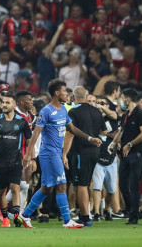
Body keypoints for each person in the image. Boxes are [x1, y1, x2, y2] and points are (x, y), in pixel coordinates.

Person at [17, 79, 101, 229]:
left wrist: (90, 138)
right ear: (57, 93)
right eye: (65, 91)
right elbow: (36, 133)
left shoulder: (63, 110)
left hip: (56, 153)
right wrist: (29, 154)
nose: (68, 94)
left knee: (46, 188)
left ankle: (24, 215)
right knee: (62, 184)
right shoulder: (46, 111)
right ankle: (67, 221)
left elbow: (73, 129)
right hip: (49, 154)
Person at [0, 91, 31, 227]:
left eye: (7, 103)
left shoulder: (21, 122)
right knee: (0, 192)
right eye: (3, 102)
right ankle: (5, 218)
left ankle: (16, 217)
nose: (4, 105)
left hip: (16, 161)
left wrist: (31, 158)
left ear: (14, 105)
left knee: (15, 188)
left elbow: (30, 141)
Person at [61, 86, 106, 226]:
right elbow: (104, 132)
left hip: (81, 152)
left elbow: (70, 133)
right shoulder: (96, 111)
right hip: (95, 151)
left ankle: (85, 217)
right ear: (86, 97)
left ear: (74, 97)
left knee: (81, 185)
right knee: (86, 183)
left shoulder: (74, 112)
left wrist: (64, 154)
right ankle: (84, 213)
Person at [108, 89, 142, 225]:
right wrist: (114, 143)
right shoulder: (127, 115)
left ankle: (134, 216)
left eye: (121, 98)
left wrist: (130, 144)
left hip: (136, 154)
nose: (120, 101)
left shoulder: (140, 114)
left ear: (127, 99)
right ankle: (132, 210)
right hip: (125, 154)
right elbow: (122, 130)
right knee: (123, 186)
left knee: (133, 185)